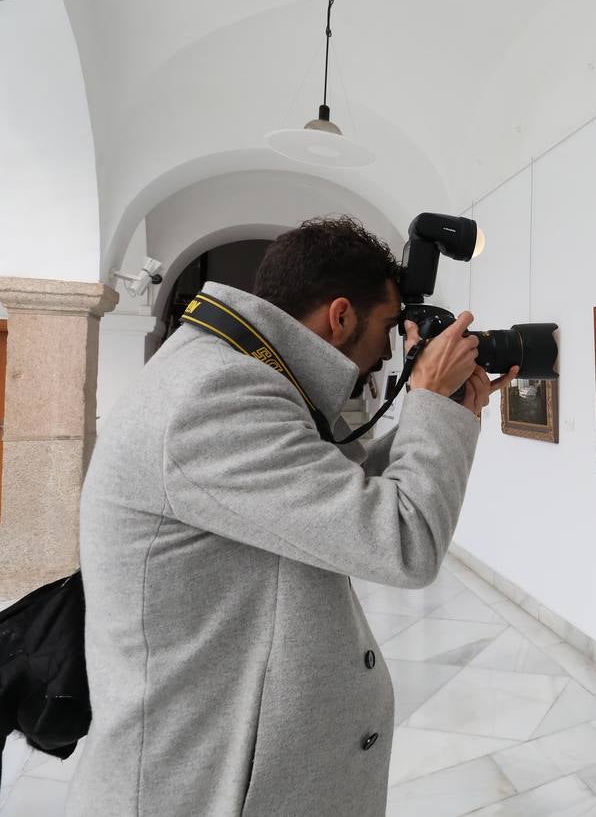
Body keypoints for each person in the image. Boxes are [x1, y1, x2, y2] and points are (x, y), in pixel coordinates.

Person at [69, 216, 513, 816]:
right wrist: (430, 403)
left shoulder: (221, 371)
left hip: (233, 770)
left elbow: (333, 491)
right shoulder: (214, 395)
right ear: (340, 316)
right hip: (211, 789)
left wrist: (447, 412)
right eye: (388, 328)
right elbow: (403, 543)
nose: (390, 352)